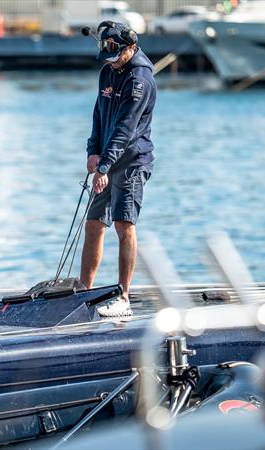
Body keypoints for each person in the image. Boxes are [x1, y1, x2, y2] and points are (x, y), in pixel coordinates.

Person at [81, 21, 156, 317]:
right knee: (94, 224)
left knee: (124, 225)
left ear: (131, 47)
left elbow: (125, 128)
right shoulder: (108, 71)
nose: (111, 62)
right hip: (107, 160)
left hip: (132, 162)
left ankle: (123, 297)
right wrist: (93, 151)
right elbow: (100, 112)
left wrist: (105, 166)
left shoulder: (140, 80)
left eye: (116, 56)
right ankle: (84, 290)